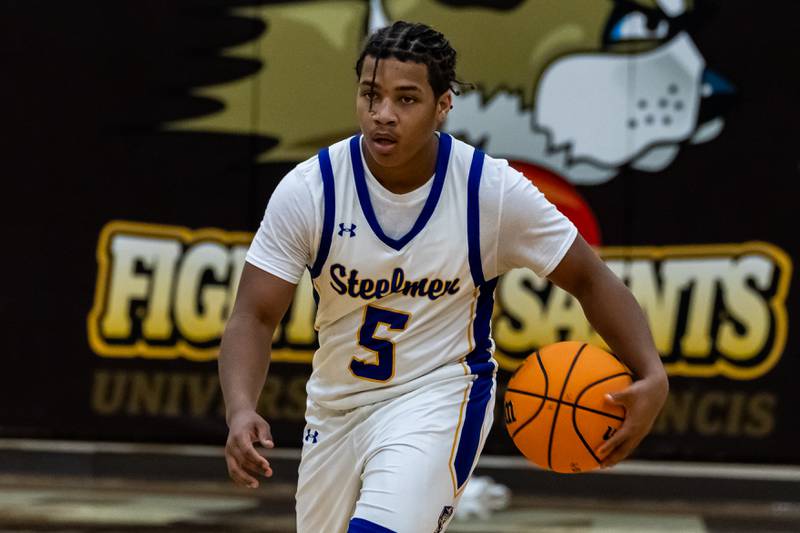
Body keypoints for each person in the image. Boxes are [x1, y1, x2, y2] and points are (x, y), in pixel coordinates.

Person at [219, 20, 668, 533]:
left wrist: (650, 371)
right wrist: (240, 408)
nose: (383, 114)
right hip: (335, 411)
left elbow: (590, 277)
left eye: (406, 99)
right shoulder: (310, 190)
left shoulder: (488, 191)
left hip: (439, 399)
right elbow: (254, 315)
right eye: (371, 95)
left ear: (443, 105)